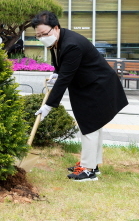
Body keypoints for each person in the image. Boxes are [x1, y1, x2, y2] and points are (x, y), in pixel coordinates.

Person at [31, 11, 128, 182]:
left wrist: (49, 106)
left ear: (55, 28)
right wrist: (56, 73)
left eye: (44, 34)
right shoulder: (59, 39)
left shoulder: (71, 44)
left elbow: (66, 79)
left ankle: (88, 170)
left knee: (89, 126)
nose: (41, 38)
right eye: (37, 35)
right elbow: (62, 65)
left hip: (97, 87)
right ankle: (92, 164)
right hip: (89, 84)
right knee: (94, 126)